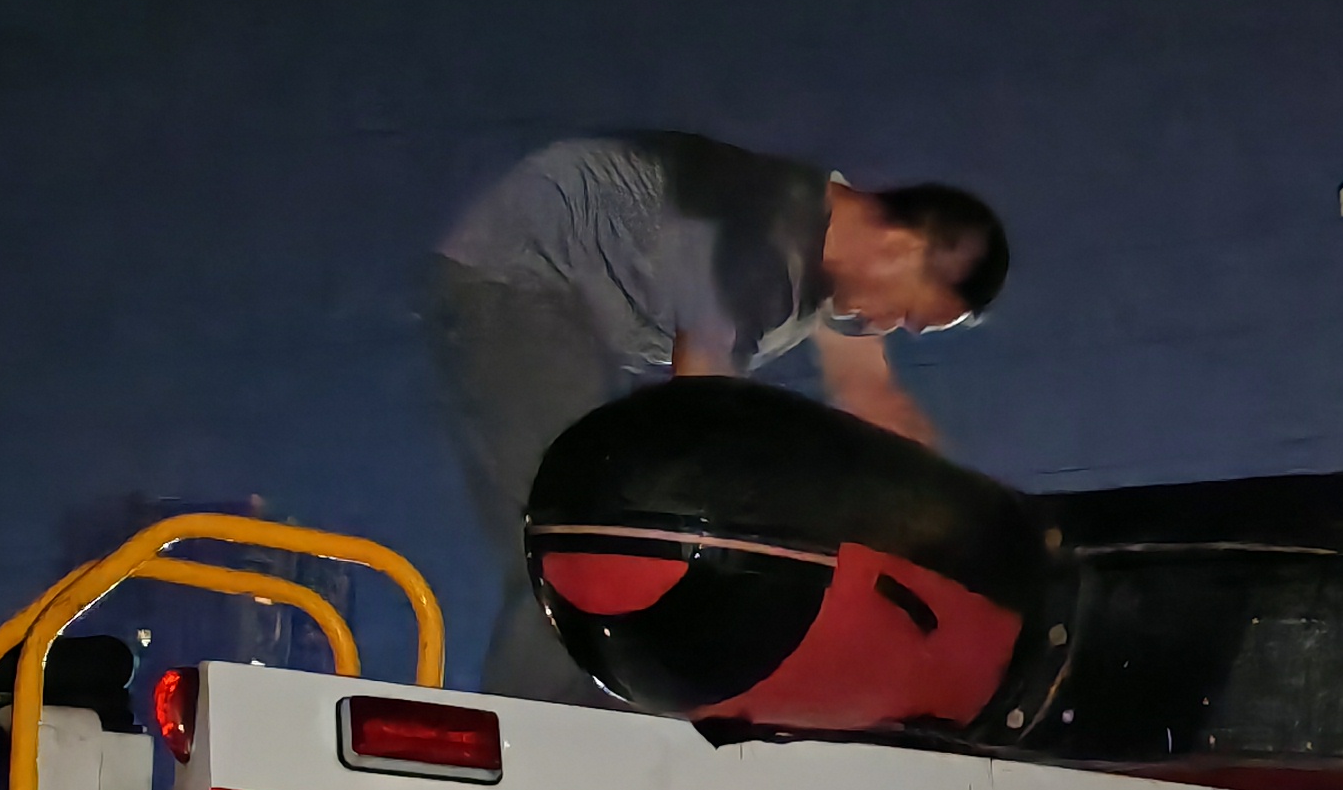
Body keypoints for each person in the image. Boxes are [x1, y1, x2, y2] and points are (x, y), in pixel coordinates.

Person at [428, 133, 1011, 697]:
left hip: (582, 306)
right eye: (904, 312)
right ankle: (543, 714)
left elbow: (868, 391)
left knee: (625, 516)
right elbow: (701, 412)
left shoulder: (837, 237)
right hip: (521, 271)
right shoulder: (764, 248)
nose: (884, 324)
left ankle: (604, 692)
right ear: (900, 247)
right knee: (576, 527)